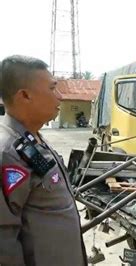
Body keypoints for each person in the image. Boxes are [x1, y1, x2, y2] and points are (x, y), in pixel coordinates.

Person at [0, 55, 86, 265]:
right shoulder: (8, 153)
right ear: (25, 96)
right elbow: (4, 240)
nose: (60, 97)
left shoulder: (33, 138)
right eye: (52, 88)